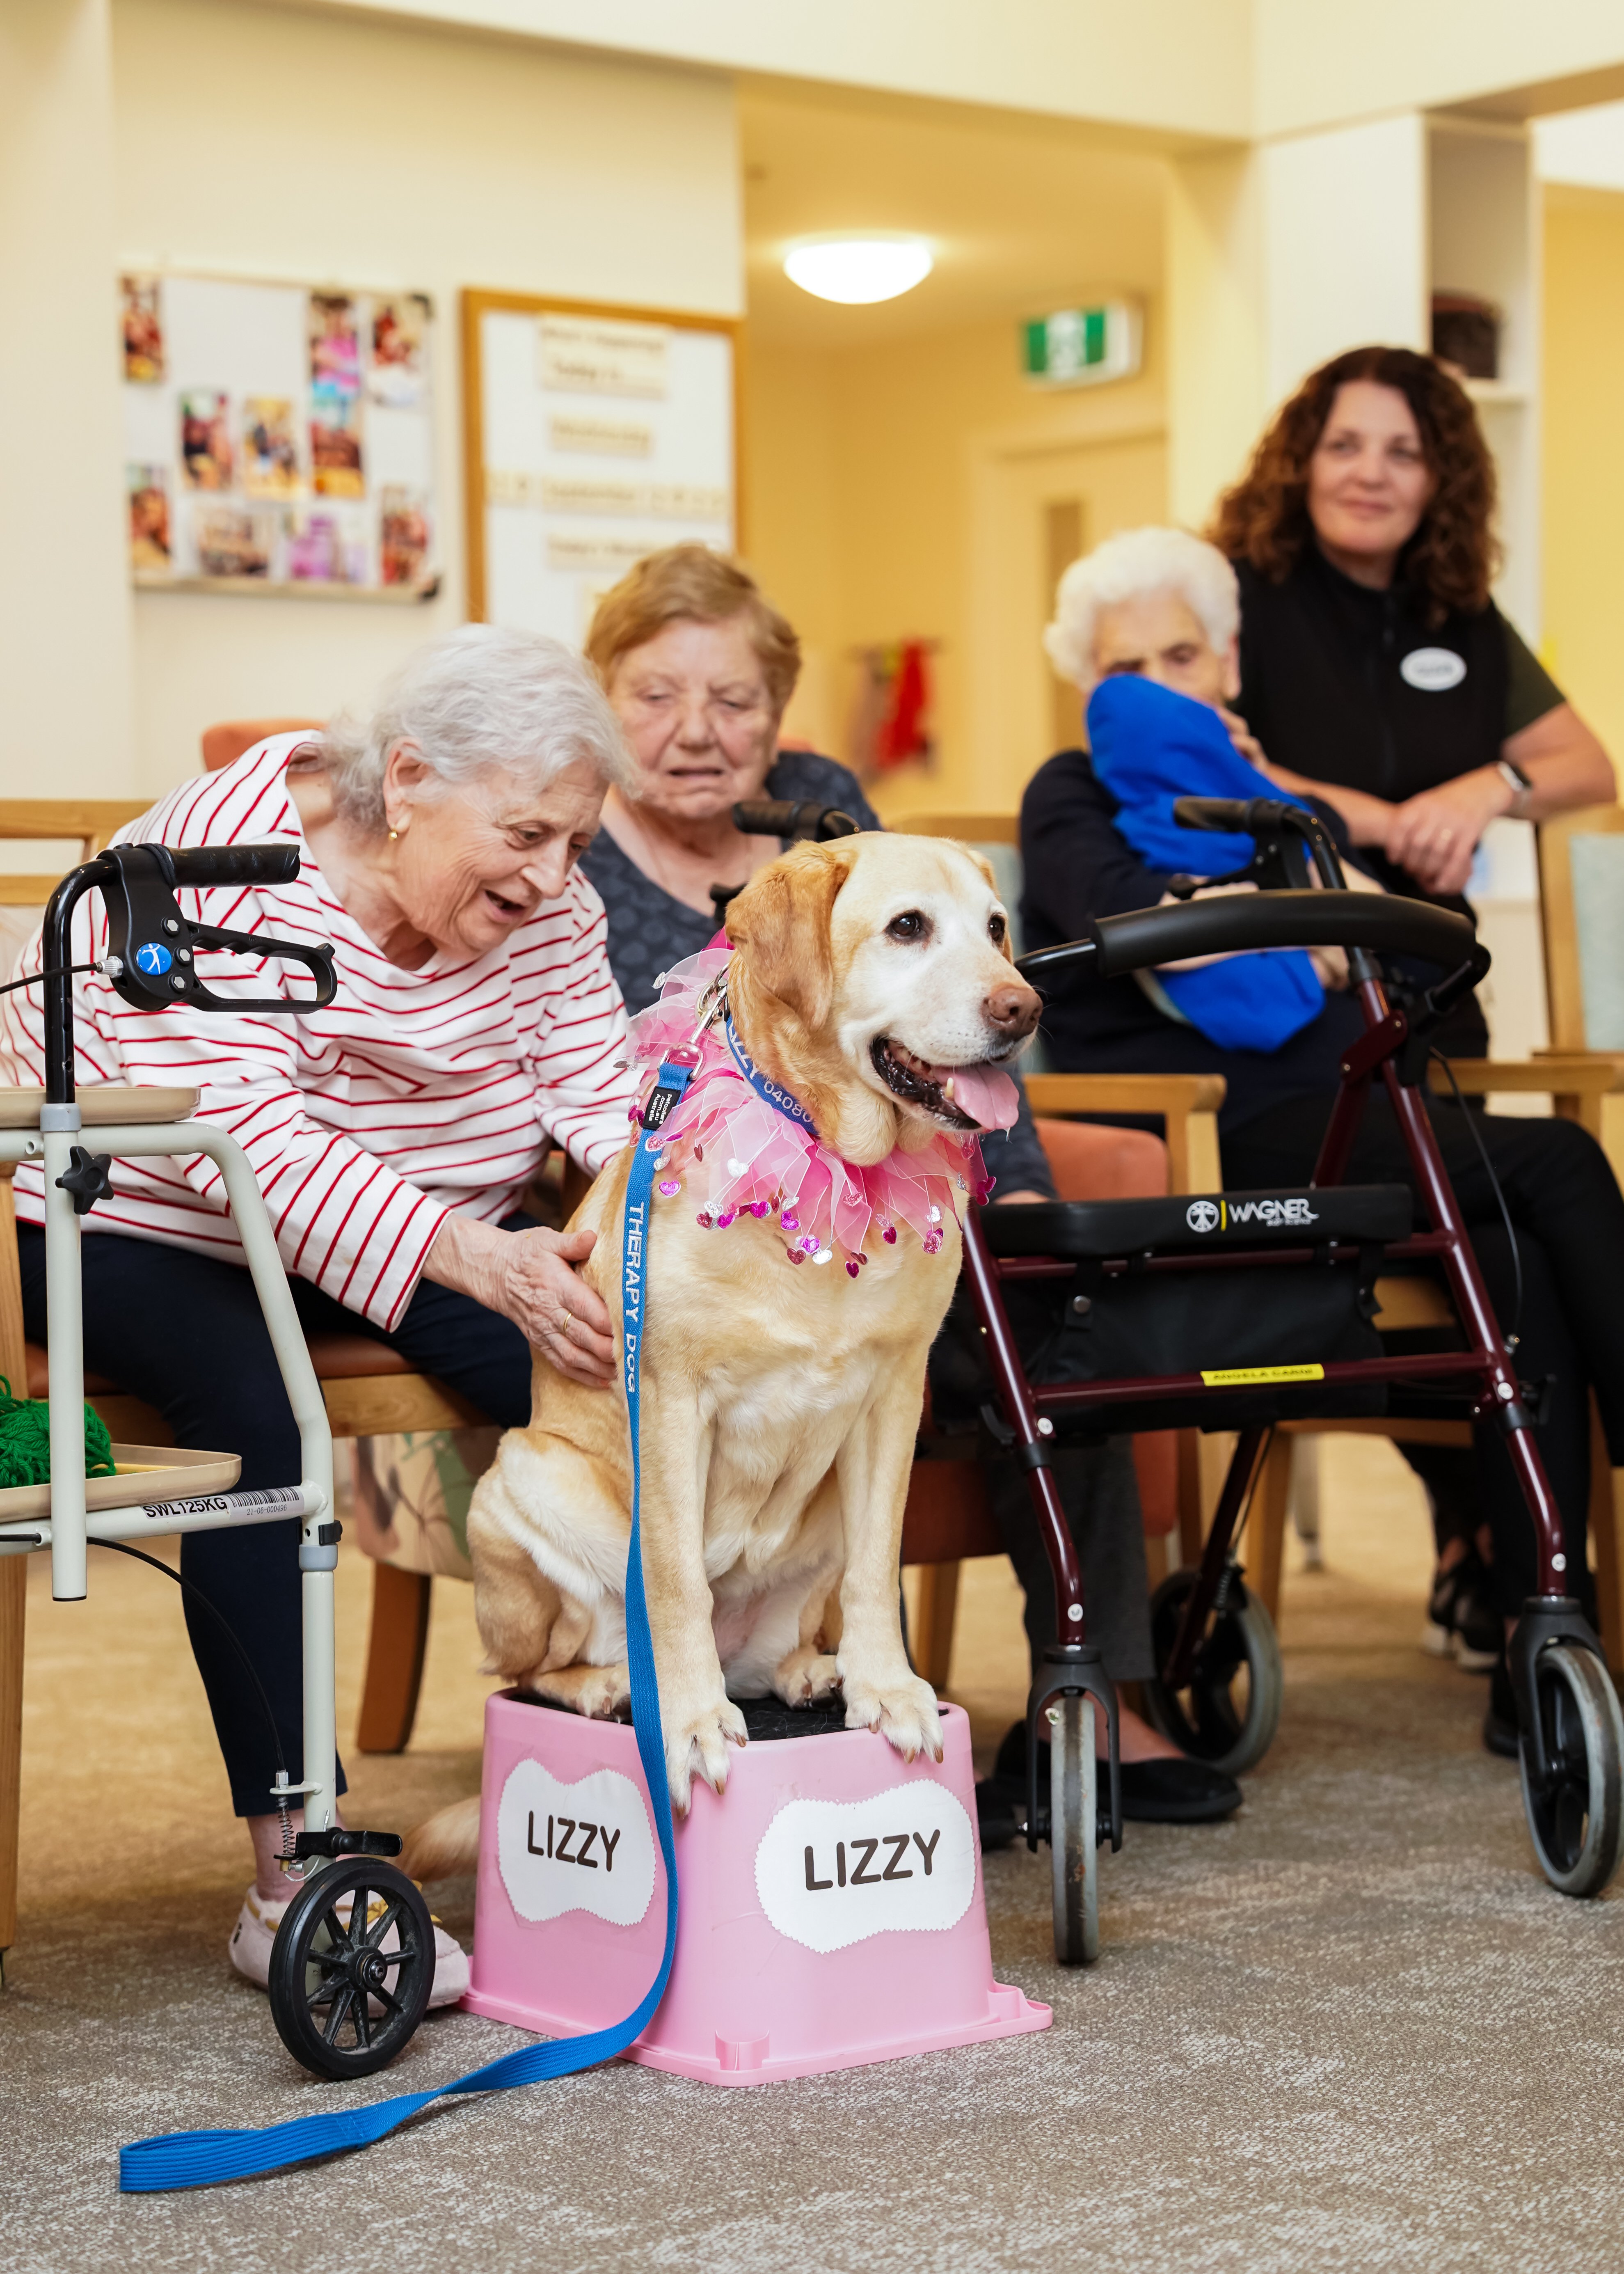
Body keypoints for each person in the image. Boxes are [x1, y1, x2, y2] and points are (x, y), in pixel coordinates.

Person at [1, 626, 640, 1992]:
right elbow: (252, 1156)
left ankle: (648, 1744)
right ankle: (296, 1869)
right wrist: (487, 1260)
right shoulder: (202, 868)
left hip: (415, 1220)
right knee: (261, 1424)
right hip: (145, 1215)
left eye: (579, 842)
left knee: (608, 1363)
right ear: (406, 780)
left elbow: (603, 1097)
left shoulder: (550, 902)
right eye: (527, 835)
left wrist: (656, 1223)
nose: (553, 878)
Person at [582, 544, 1240, 1828]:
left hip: (888, 1213)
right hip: (702, 1235)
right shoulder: (572, 855)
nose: (698, 732)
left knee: (1056, 1320)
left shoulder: (826, 809)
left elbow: (945, 1000)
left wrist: (1020, 1188)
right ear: (605, 701)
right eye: (656, 696)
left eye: (735, 700)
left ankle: (1091, 1691)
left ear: (779, 714)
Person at [1027, 524, 1624, 1751]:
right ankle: (1547, 1628)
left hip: (1357, 1119)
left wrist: (1304, 849)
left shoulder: (1277, 804)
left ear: (1229, 666)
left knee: (1517, 1261)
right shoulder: (1072, 791)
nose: (1156, 685)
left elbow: (1413, 955)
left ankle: (1542, 1647)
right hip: (1217, 1135)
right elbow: (1126, 916)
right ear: (1089, 684)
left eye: (1181, 656)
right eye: (1125, 666)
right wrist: (1277, 917)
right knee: (1558, 1164)